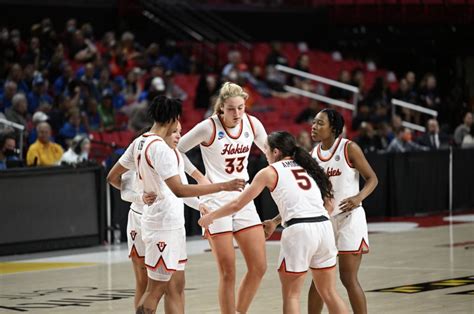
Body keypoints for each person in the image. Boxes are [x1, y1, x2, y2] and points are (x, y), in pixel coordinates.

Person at [107, 96, 244, 314]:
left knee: (176, 286)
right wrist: (222, 186)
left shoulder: (140, 142)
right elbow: (179, 189)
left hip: (164, 221)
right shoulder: (161, 149)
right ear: (172, 119)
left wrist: (140, 196)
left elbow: (113, 177)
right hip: (163, 224)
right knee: (155, 290)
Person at [199, 131, 349, 314]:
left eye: (266, 150)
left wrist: (211, 216)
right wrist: (276, 221)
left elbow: (238, 203)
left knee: (292, 295)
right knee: (329, 292)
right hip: (324, 227)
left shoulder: (269, 172)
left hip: (299, 231)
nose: (265, 154)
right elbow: (329, 205)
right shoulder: (307, 167)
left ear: (276, 152)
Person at [177, 82, 268, 314]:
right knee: (228, 272)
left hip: (243, 197)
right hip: (216, 199)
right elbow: (177, 149)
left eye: (241, 107)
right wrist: (198, 176)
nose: (237, 113)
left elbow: (271, 153)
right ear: (221, 109)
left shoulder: (252, 123)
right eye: (231, 109)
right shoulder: (208, 127)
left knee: (259, 266)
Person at [308, 108, 378, 314]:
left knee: (347, 278)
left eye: (320, 123)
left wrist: (358, 198)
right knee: (318, 280)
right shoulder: (313, 155)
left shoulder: (349, 148)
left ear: (334, 129)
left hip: (350, 218)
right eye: (314, 122)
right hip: (325, 221)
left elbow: (372, 179)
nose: (314, 126)